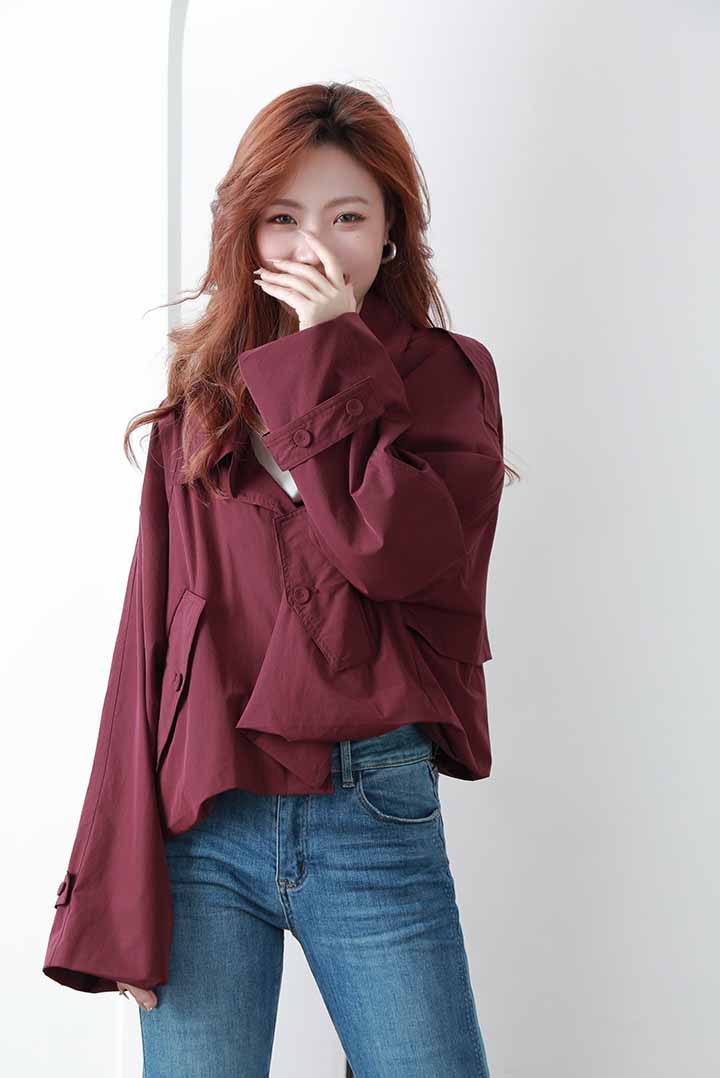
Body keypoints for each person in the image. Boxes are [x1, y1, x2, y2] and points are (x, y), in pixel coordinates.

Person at [43, 81, 518, 1077]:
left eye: (347, 217)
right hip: (202, 824)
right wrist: (112, 886)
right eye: (284, 217)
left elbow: (393, 555)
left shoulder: (447, 378)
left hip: (371, 809)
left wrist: (329, 356)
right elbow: (149, 645)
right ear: (248, 230)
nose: (315, 248)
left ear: (391, 233)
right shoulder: (202, 402)